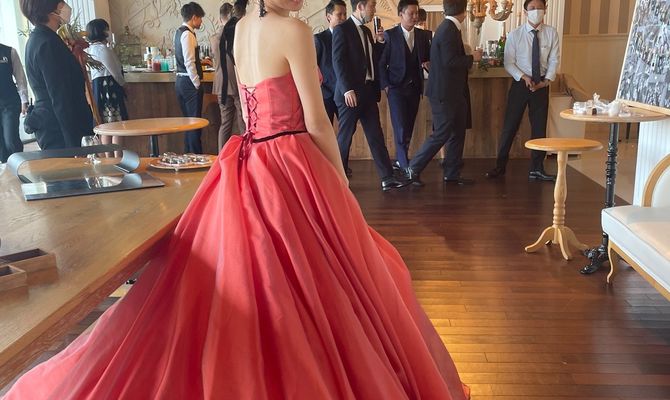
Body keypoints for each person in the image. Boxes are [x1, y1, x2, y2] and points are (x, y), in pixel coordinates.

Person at [2, 0, 470, 397]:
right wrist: (338, 179)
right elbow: (316, 119)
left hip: (250, 156)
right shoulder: (293, 30)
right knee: (318, 275)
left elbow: (250, 108)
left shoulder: (241, 26)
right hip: (290, 157)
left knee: (256, 273)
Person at [332, 0, 407, 190]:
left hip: (368, 92)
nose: (374, 10)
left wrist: (380, 42)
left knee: (376, 136)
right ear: (360, 6)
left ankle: (387, 178)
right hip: (350, 94)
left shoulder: (366, 31)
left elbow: (372, 59)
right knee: (345, 138)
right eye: (372, 6)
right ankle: (337, 181)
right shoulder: (342, 30)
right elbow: (338, 61)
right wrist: (347, 89)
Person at [405, 0, 481, 186]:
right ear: (464, 11)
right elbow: (450, 61)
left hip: (454, 93)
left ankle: (452, 173)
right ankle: (413, 168)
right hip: (444, 94)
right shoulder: (448, 29)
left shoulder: (450, 28)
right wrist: (473, 57)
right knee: (442, 133)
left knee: (457, 133)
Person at [485, 0, 559, 181]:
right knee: (510, 126)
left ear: (545, 10)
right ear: (525, 12)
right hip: (521, 83)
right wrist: (524, 77)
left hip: (541, 85)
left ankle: (537, 168)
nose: (536, 11)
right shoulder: (515, 35)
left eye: (539, 8)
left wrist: (546, 81)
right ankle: (500, 166)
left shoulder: (551, 33)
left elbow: (554, 60)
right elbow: (509, 63)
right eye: (532, 8)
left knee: (539, 127)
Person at [21, 0, 94, 150]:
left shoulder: (39, 39)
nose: (65, 5)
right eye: (61, 2)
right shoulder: (47, 43)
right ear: (50, 8)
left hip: (55, 126)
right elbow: (60, 96)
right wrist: (74, 144)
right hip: (61, 131)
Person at [379, 0, 430, 170]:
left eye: (417, 13)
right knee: (400, 127)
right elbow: (381, 63)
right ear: (401, 14)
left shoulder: (423, 36)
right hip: (396, 89)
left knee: (408, 126)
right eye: (411, 13)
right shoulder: (390, 35)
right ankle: (405, 166)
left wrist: (428, 65)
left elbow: (427, 59)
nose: (415, 17)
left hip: (415, 88)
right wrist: (386, 86)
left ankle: (401, 159)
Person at [85, 18, 128, 155]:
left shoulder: (90, 49)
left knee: (105, 127)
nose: (108, 32)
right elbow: (115, 71)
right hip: (108, 88)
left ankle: (108, 158)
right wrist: (124, 84)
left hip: (99, 88)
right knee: (117, 126)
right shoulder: (102, 49)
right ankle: (117, 157)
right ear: (101, 31)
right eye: (106, 29)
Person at [210, 2, 244, 149]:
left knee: (225, 124)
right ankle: (245, 154)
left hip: (221, 85)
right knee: (243, 122)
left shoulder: (214, 39)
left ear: (220, 19)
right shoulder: (237, 36)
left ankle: (222, 156)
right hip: (236, 83)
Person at [175, 2, 206, 154]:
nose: (201, 21)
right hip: (189, 82)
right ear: (194, 17)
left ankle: (189, 154)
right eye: (200, 18)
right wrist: (197, 83)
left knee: (188, 122)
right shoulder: (188, 34)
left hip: (181, 81)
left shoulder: (178, 32)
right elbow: (189, 62)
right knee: (194, 123)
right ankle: (195, 156)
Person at [314, 0, 347, 124]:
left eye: (345, 14)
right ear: (329, 17)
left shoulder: (349, 38)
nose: (343, 18)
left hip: (344, 94)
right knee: (326, 129)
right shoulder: (319, 39)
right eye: (339, 14)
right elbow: (313, 67)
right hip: (326, 95)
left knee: (347, 130)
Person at [0, 42, 28, 163]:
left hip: (10, 103)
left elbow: (20, 77)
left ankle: (19, 165)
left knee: (10, 139)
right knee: (1, 145)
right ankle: (5, 168)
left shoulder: (9, 51)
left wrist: (24, 100)